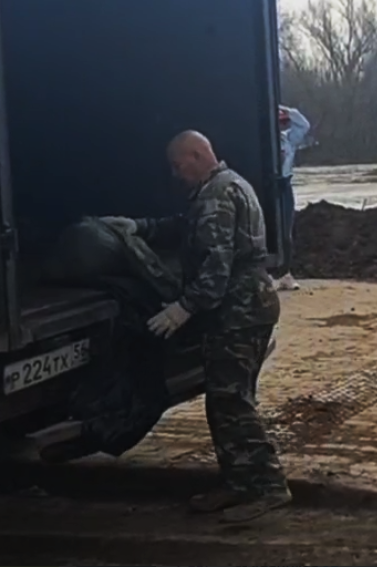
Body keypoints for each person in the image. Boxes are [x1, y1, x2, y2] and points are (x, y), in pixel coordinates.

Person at [101, 131, 290, 524]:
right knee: (224, 401)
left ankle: (267, 486)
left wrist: (181, 309)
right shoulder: (224, 186)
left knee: (232, 402)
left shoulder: (218, 197)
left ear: (198, 154)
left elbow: (215, 273)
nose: (175, 174)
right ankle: (238, 481)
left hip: (239, 312)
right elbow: (184, 226)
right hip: (246, 307)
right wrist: (138, 227)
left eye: (177, 165)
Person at [275, 105, 310, 292]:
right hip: (268, 186)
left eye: (284, 122)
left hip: (284, 186)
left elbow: (304, 125)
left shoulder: (289, 140)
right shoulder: (263, 141)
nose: (282, 126)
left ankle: (285, 273)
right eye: (279, 122)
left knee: (286, 233)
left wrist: (286, 110)